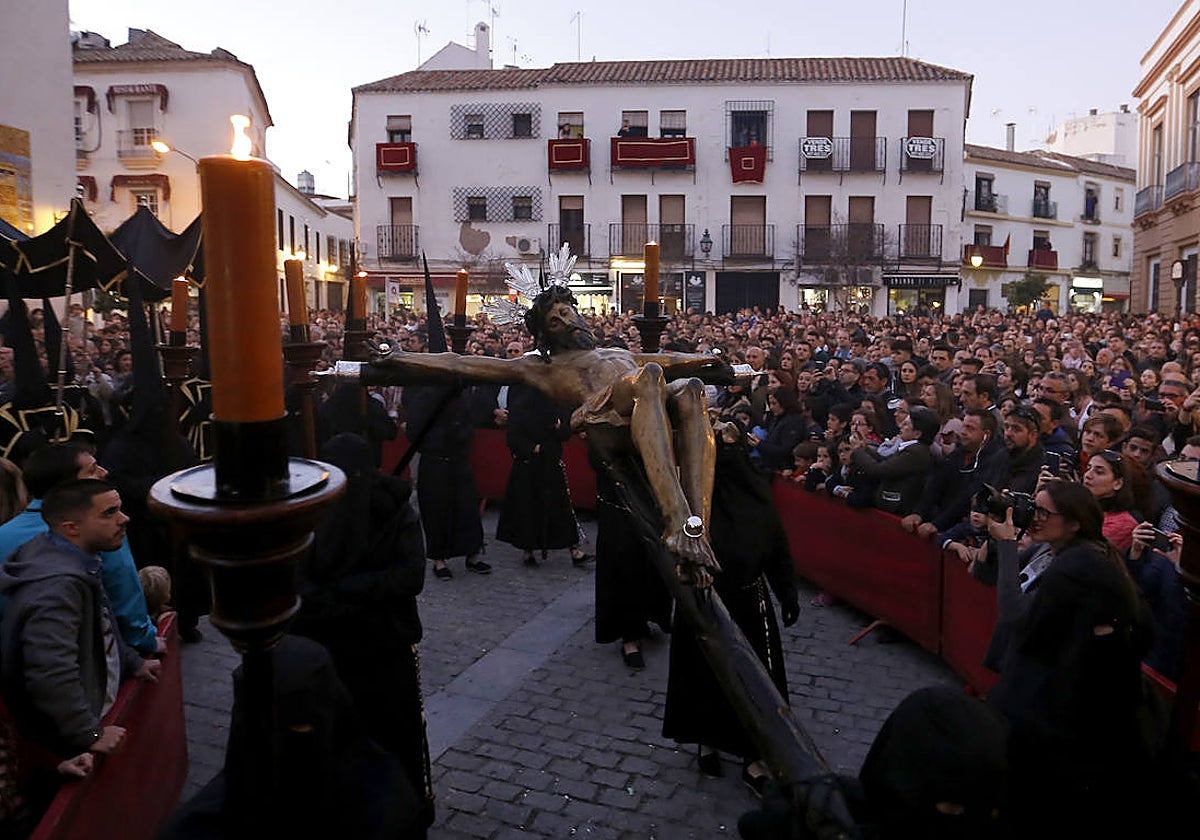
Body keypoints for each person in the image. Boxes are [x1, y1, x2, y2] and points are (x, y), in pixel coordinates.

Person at [333, 250, 734, 589]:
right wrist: (401, 357)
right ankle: (677, 518)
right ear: (544, 333)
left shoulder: (614, 351)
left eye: (566, 311)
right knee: (649, 379)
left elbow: (671, 361)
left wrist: (715, 361)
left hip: (648, 408)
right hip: (609, 420)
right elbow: (461, 362)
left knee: (692, 387)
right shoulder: (538, 368)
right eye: (554, 320)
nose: (565, 320)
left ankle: (697, 527)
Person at [291, 434, 435, 834]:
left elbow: (409, 576)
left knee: (393, 738)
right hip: (332, 654)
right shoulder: (311, 511)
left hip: (386, 651)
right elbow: (302, 589)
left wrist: (345, 591)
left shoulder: (395, 511)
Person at [662, 419, 798, 794]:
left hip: (750, 599)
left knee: (756, 677)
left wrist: (786, 592)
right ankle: (708, 737)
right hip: (706, 599)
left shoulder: (755, 494)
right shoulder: (693, 499)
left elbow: (774, 542)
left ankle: (755, 753)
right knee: (704, 672)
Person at [0, 480, 160, 764]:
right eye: (109, 513)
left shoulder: (70, 556)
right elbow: (50, 673)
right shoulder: (56, 589)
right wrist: (90, 735)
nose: (124, 519)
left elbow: (102, 622)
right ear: (71, 527)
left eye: (119, 509)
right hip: (67, 741)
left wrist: (133, 662)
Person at [0, 442, 161, 654]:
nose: (104, 472)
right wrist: (147, 641)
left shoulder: (3, 533)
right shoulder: (97, 530)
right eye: (92, 470)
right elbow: (124, 598)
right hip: (79, 658)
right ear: (70, 486)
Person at [494, 382, 591, 567]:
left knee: (561, 509)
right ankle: (528, 551)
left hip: (550, 464)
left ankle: (574, 550)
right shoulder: (522, 405)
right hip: (528, 465)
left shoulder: (556, 405)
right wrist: (535, 449)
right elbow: (514, 438)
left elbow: (565, 433)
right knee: (527, 510)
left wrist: (558, 428)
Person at [848, 406, 938, 515]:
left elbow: (879, 470)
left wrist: (858, 451)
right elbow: (886, 461)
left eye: (906, 425)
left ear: (917, 434)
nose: (900, 426)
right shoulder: (912, 449)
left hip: (900, 510)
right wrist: (865, 448)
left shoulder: (915, 453)